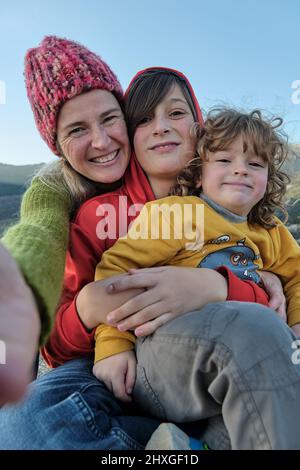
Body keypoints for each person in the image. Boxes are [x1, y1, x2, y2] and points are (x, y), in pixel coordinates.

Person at [0, 36, 287, 450]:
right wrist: (86, 313)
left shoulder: (239, 201)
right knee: (28, 422)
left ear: (199, 125)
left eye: (175, 114)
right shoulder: (95, 212)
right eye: (144, 120)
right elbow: (61, 345)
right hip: (115, 369)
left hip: (215, 357)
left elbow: (279, 275)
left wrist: (224, 285)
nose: (161, 128)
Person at [79, 107, 300, 398]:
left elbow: (296, 278)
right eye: (224, 160)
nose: (241, 169)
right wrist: (112, 346)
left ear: (268, 178)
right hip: (166, 352)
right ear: (199, 175)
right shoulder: (177, 214)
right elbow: (117, 274)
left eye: (256, 164)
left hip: (246, 362)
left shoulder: (271, 231)